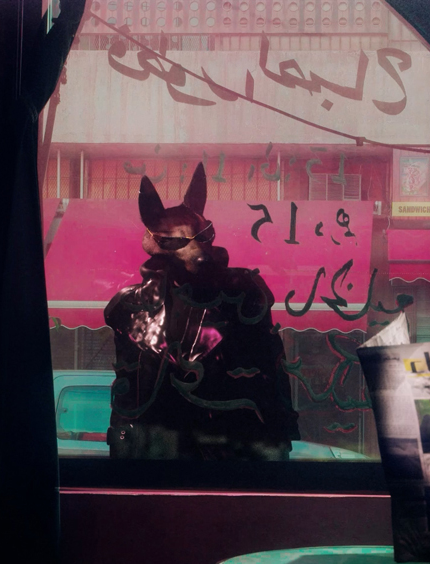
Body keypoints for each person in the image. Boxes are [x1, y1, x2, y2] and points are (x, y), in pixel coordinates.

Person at [105, 164, 299, 460]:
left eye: (203, 235)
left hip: (227, 450)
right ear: (160, 245)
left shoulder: (242, 294)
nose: (197, 249)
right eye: (178, 240)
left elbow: (270, 370)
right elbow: (128, 390)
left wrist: (277, 439)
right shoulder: (129, 307)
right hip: (155, 452)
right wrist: (121, 445)